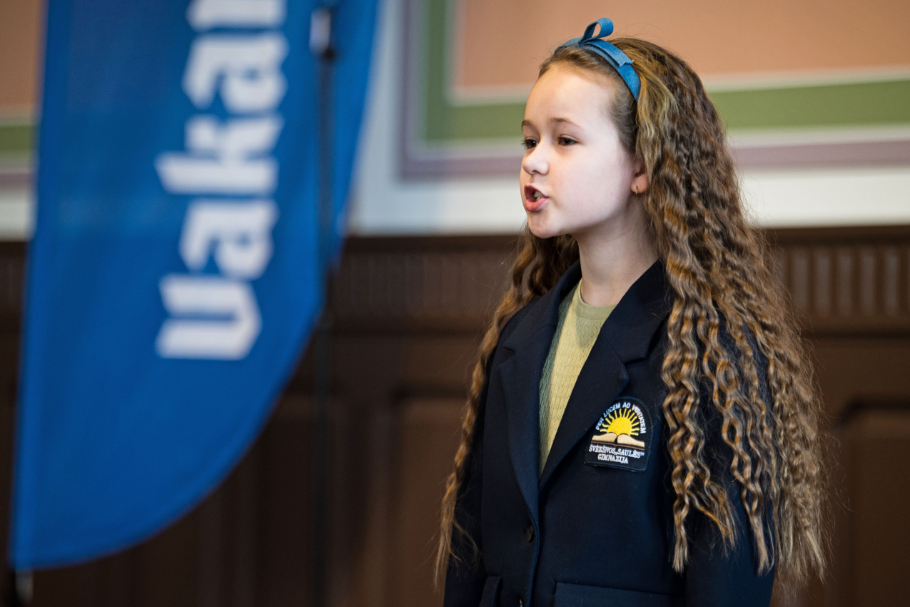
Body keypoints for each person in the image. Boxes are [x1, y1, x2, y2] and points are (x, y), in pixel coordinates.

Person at [436, 18, 827, 607]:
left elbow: (725, 581)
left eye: (565, 141)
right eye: (529, 140)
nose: (534, 162)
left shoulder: (710, 350)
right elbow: (470, 553)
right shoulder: (518, 337)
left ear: (641, 166)